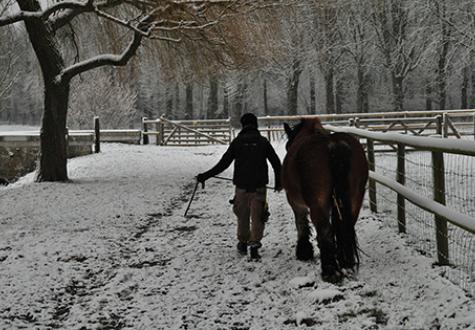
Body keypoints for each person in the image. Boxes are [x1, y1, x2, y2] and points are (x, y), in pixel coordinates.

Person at [197, 113, 282, 260]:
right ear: (255, 125)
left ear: (243, 125)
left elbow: (223, 164)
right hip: (259, 187)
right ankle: (254, 244)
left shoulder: (237, 142)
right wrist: (279, 182)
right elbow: (276, 163)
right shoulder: (263, 142)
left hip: (241, 187)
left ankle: (243, 243)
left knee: (242, 216)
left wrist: (206, 175)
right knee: (258, 217)